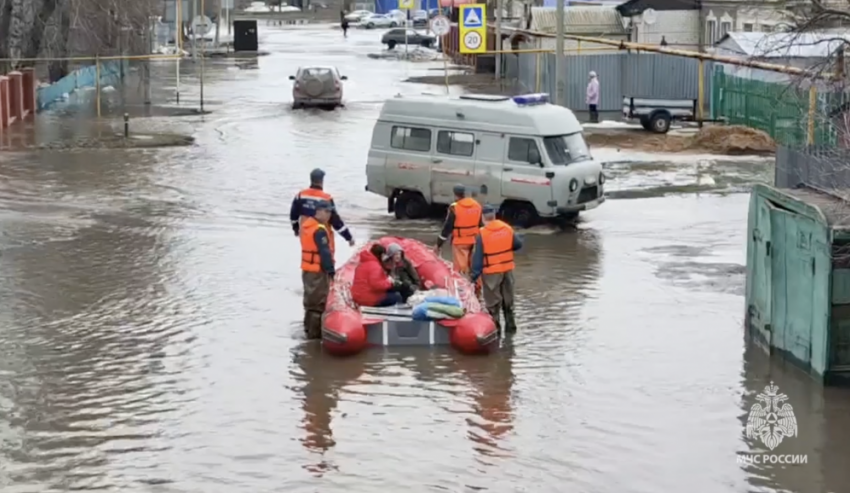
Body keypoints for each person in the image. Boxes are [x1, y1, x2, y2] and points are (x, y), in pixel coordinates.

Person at [470, 204, 523, 333]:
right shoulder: (507, 228)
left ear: (483, 218)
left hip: (491, 273)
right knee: (508, 302)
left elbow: (477, 260)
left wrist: (472, 277)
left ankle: (496, 332)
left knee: (493, 305)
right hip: (507, 270)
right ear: (494, 216)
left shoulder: (482, 234)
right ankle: (510, 330)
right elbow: (518, 244)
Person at [290, 168, 355, 247]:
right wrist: (349, 238)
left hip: (305, 235)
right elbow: (336, 222)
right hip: (322, 236)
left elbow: (293, 216)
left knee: (308, 256)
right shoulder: (326, 199)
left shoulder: (300, 195)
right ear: (322, 181)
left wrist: (296, 229)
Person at [300, 201, 336, 339]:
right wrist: (330, 270)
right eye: (326, 212)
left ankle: (307, 330)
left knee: (309, 302)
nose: (328, 215)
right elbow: (324, 252)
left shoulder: (308, 225)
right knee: (318, 304)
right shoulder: (319, 230)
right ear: (318, 211)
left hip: (307, 269)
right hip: (318, 271)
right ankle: (314, 337)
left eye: (330, 212)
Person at [435, 184, 482, 276]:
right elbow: (481, 225)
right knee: (474, 267)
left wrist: (439, 244)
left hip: (460, 242)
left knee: (460, 269)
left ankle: (462, 286)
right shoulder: (476, 205)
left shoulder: (454, 208)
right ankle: (477, 288)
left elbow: (447, 228)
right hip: (474, 240)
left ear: (455, 194)